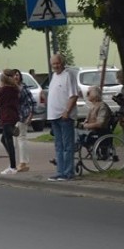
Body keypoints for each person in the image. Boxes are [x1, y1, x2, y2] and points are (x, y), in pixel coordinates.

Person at [46, 53, 79, 181]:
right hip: (54, 116)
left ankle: (68, 172)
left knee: (67, 145)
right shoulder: (54, 76)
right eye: (53, 64)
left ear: (62, 63)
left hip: (64, 116)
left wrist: (67, 111)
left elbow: (73, 95)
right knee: (58, 146)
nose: (56, 66)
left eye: (57, 63)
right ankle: (60, 171)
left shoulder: (68, 75)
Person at [0, 69, 20, 175]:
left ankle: (13, 165)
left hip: (6, 116)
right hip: (13, 115)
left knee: (8, 140)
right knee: (4, 139)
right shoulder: (15, 89)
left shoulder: (5, 90)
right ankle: (12, 161)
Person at [78, 85, 112, 151]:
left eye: (88, 93)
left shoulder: (102, 106)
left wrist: (87, 126)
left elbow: (100, 123)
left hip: (98, 132)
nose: (87, 95)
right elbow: (87, 120)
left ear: (94, 95)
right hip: (91, 130)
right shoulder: (93, 106)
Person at [14, 68, 35, 172]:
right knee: (16, 139)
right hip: (13, 116)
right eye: (13, 75)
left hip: (22, 115)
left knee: (21, 138)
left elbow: (32, 102)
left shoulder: (23, 87)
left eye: (17, 75)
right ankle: (19, 162)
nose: (15, 77)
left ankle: (23, 163)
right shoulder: (10, 88)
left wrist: (30, 116)